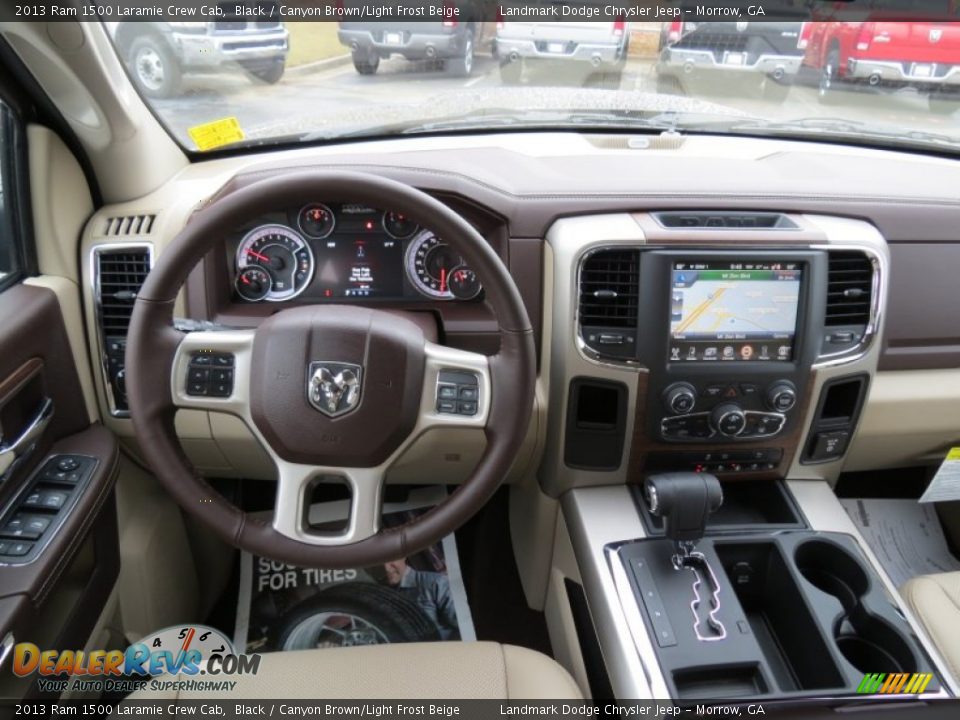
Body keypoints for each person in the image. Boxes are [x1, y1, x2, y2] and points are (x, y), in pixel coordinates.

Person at [383, 557, 459, 640]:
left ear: (403, 556)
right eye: (378, 561)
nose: (386, 568)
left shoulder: (435, 583)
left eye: (390, 559)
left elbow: (464, 627)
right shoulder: (382, 593)